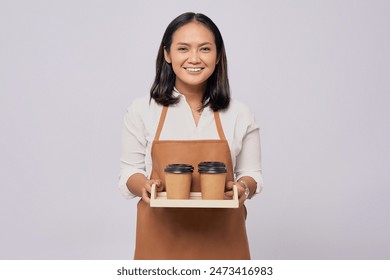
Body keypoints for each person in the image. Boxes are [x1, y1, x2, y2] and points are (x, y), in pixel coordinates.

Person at [119, 12, 263, 260]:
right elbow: (128, 172)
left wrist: (243, 188)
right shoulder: (142, 110)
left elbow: (253, 175)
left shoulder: (240, 113)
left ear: (218, 56)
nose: (194, 58)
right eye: (183, 48)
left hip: (224, 245)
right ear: (167, 54)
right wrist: (142, 185)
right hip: (160, 243)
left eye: (205, 49)